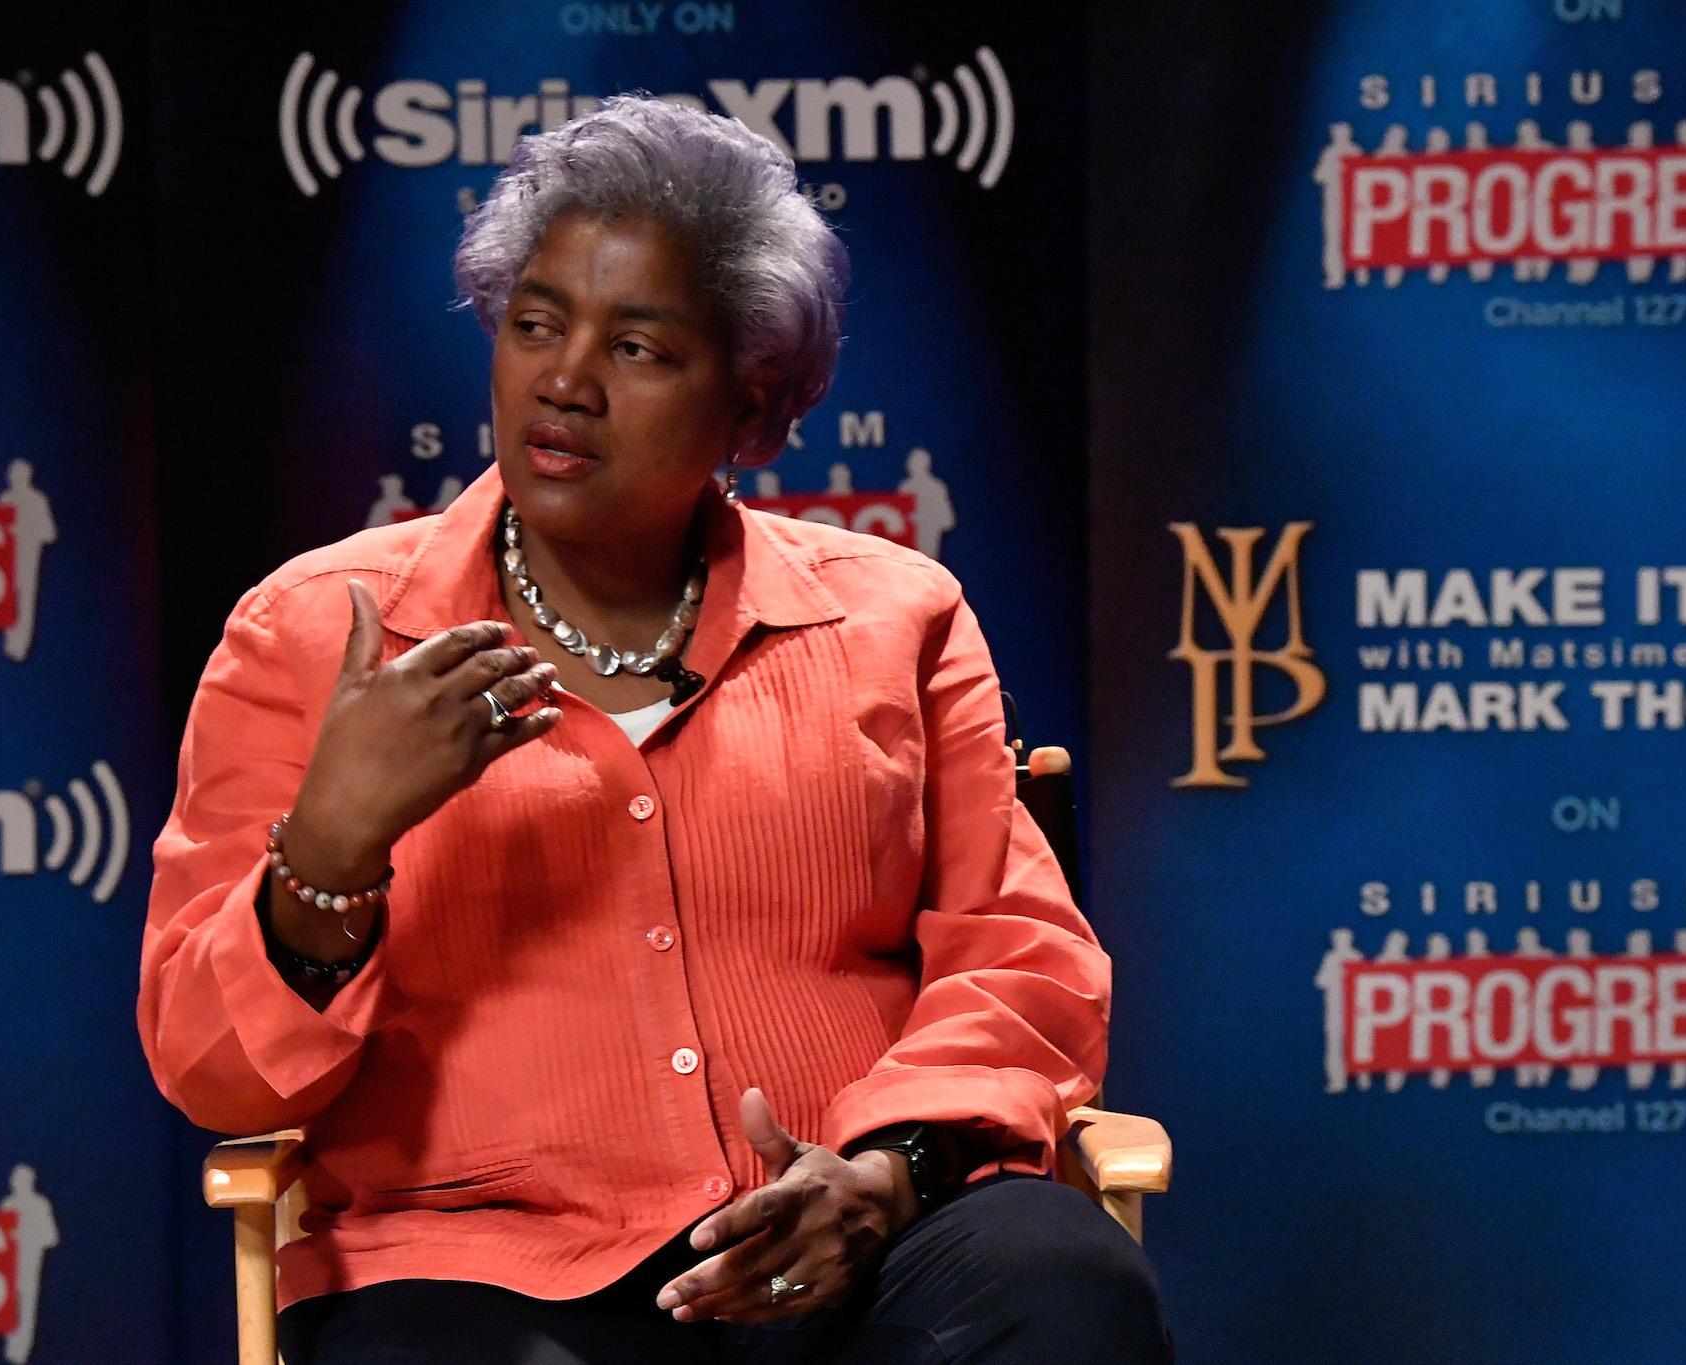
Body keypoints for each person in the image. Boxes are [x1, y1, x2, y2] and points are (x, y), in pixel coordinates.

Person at [137, 95, 1169, 1365]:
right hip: (475, 1266)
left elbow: (1016, 960)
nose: (564, 380)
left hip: (851, 1233)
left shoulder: (895, 619)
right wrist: (328, 855)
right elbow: (211, 1075)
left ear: (750, 405)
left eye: (638, 348)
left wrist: (885, 1171)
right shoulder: (311, 635)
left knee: (1060, 1287)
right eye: (534, 326)